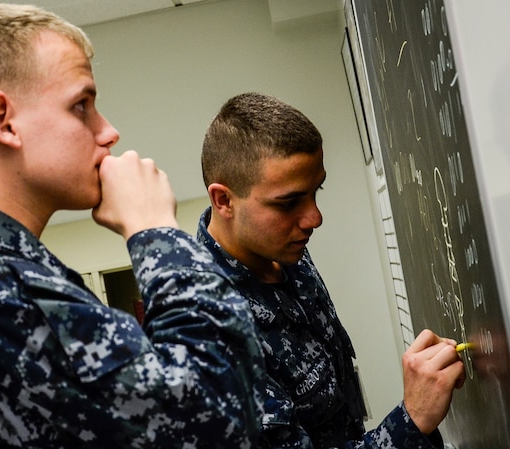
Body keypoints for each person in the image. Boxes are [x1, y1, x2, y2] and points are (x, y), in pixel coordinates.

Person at [0, 2, 267, 448]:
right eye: (81, 105)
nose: (108, 131)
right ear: (4, 120)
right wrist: (156, 230)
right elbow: (220, 417)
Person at [197, 92, 466, 449]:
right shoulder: (209, 330)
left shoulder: (281, 250)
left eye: (315, 192)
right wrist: (413, 418)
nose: (314, 218)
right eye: (289, 202)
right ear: (224, 200)